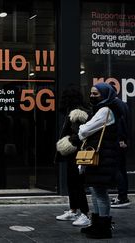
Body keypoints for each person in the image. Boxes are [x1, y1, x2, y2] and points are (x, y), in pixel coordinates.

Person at [77, 82, 120, 239]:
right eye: (91, 93)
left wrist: (83, 128)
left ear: (105, 95)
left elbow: (85, 129)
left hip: (103, 157)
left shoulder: (104, 110)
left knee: (100, 192)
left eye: (96, 94)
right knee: (95, 190)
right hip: (100, 156)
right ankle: (96, 224)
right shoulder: (100, 109)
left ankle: (103, 228)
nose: (92, 96)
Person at [55, 87, 90, 226]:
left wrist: (68, 142)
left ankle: (84, 213)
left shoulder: (77, 113)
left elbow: (80, 134)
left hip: (77, 153)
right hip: (73, 153)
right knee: (72, 182)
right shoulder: (74, 111)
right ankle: (74, 210)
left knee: (77, 183)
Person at [110, 95, 130, 208]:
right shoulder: (123, 104)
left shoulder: (115, 105)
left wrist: (121, 139)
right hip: (122, 141)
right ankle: (122, 196)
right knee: (121, 169)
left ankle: (122, 197)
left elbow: (120, 123)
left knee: (117, 169)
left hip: (118, 141)